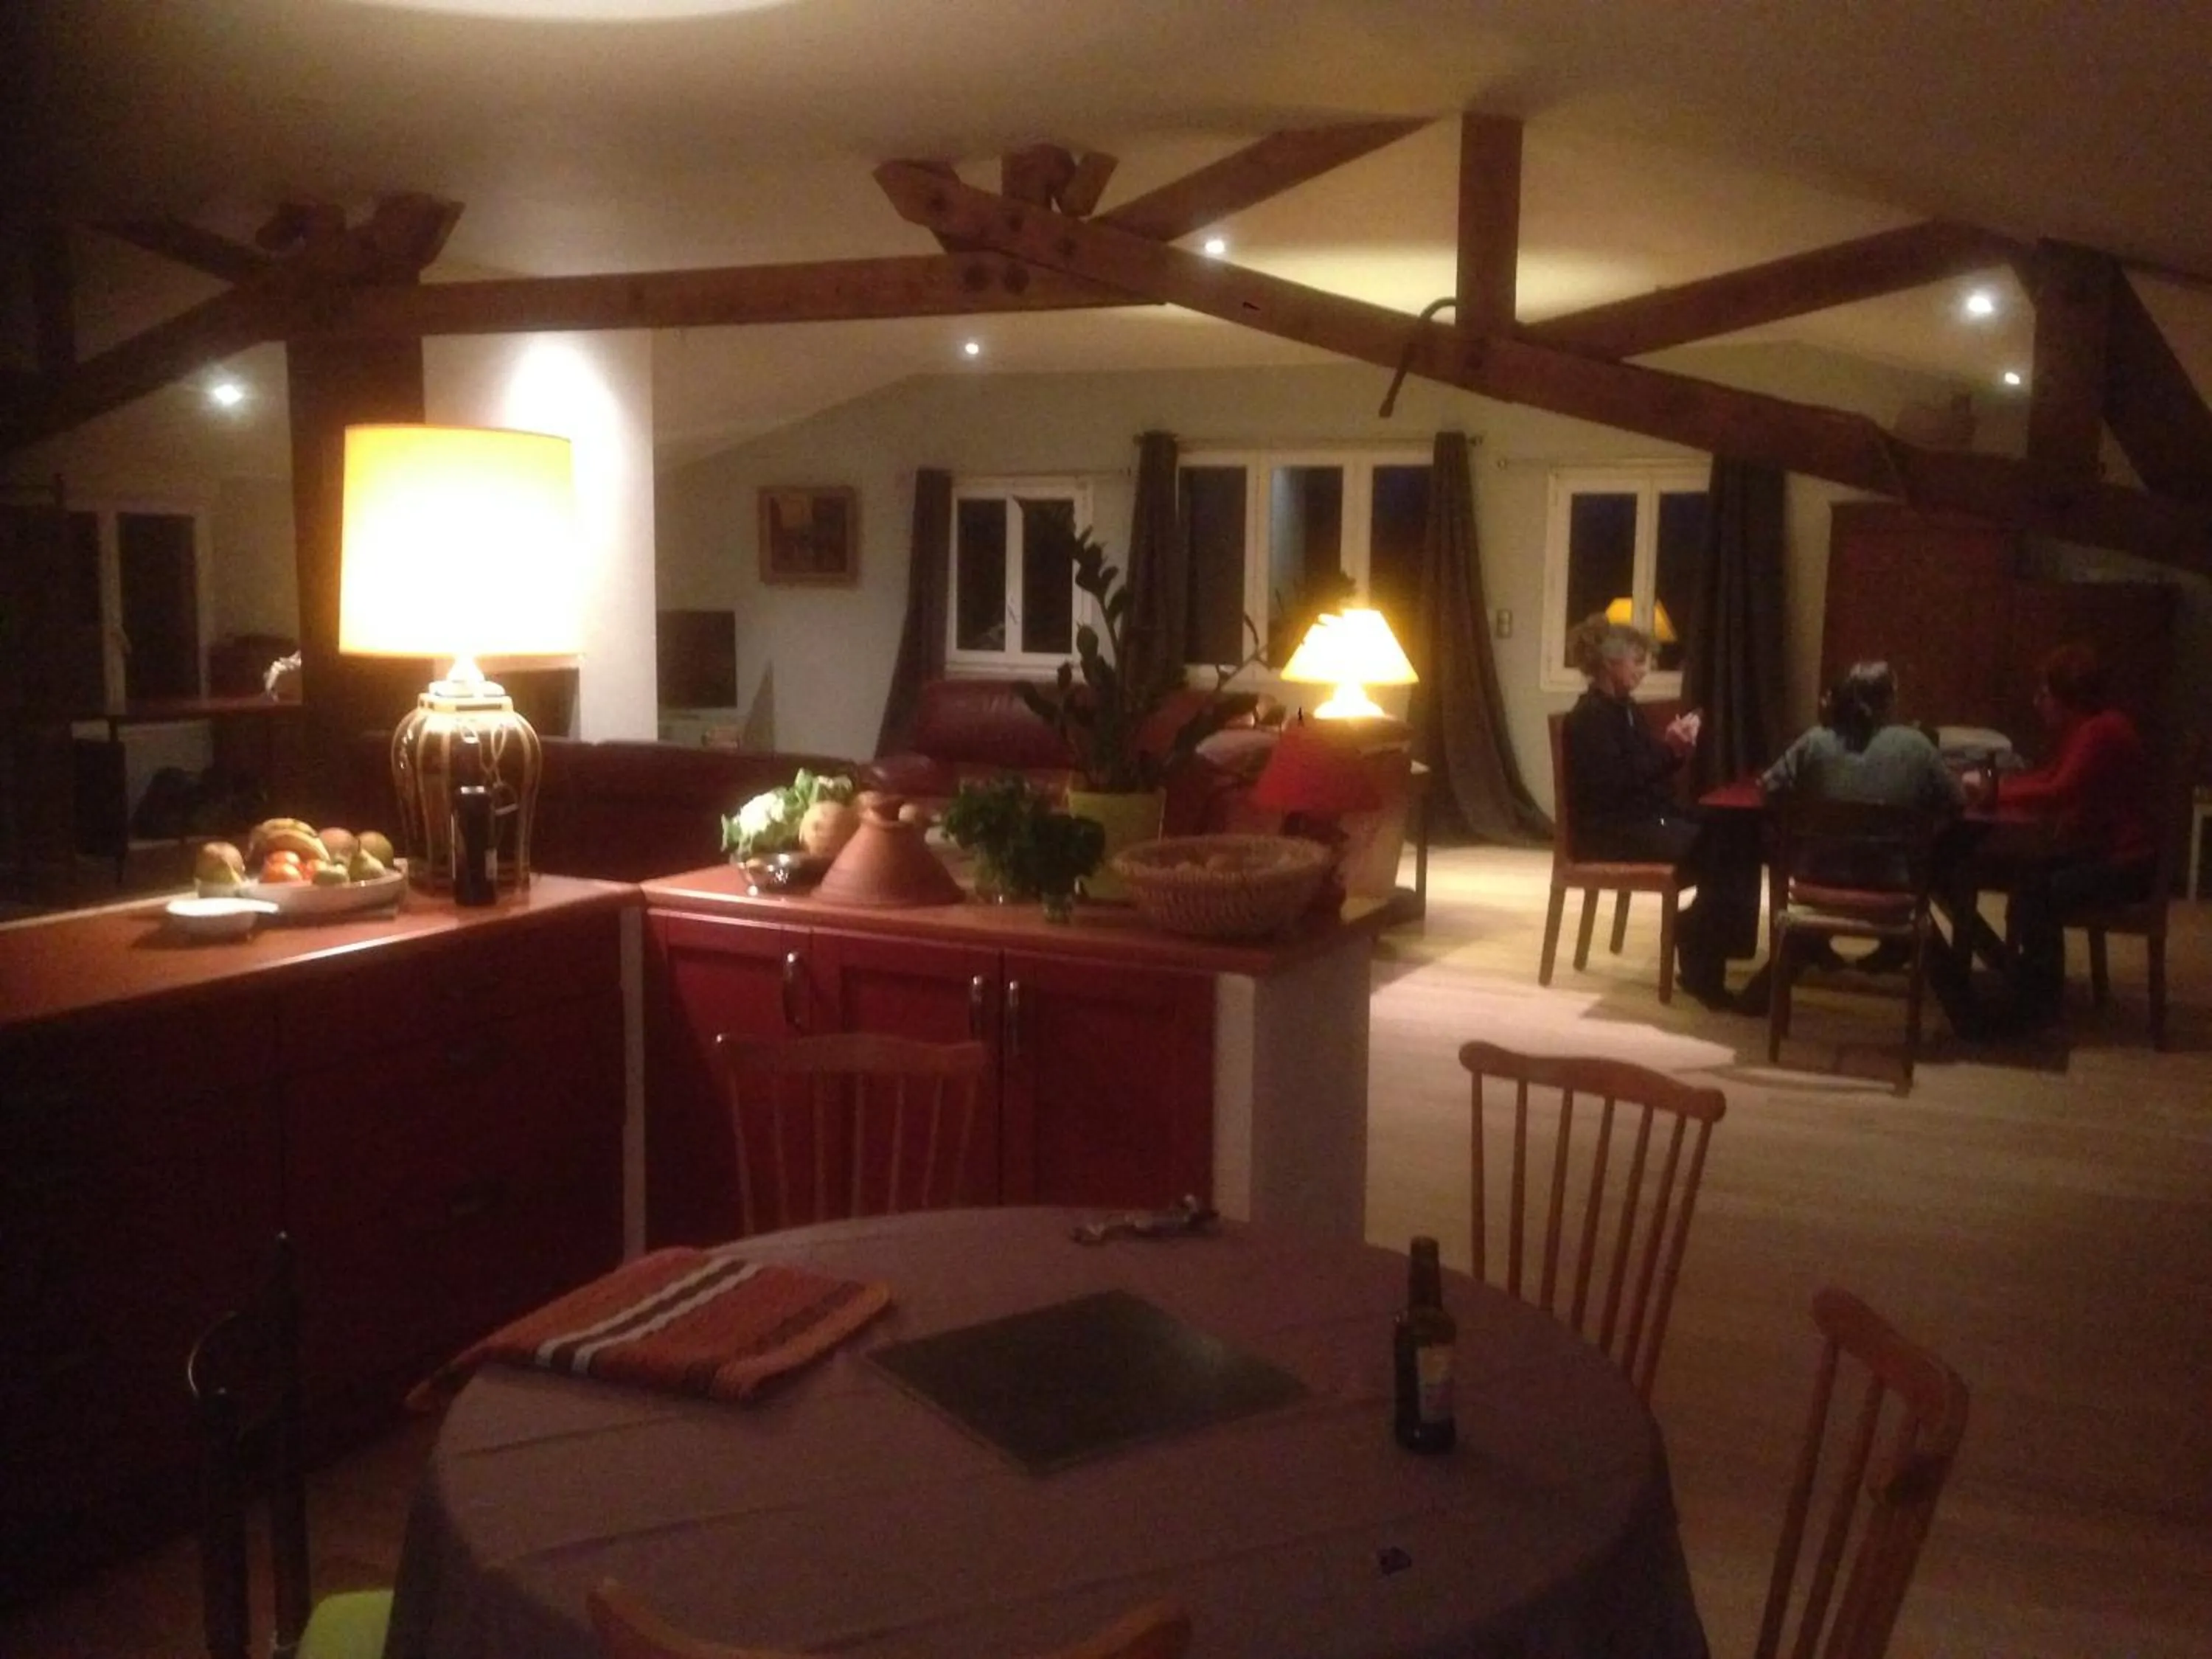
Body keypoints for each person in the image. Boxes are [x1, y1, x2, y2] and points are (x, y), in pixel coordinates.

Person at [1559, 612, 1759, 1008]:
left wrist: (1673, 748)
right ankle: (1699, 951)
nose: (1644, 670)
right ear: (1610, 663)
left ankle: (1702, 940)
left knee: (1740, 830)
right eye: (1638, 661)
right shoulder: (1590, 718)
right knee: (1721, 846)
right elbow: (1618, 786)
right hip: (1611, 832)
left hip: (1641, 819)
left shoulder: (1624, 709)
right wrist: (1668, 751)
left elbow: (1645, 770)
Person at [1747, 661, 1966, 1009]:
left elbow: (1768, 790)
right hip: (1893, 885)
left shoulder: (1815, 742)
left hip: (1816, 878)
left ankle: (1799, 957)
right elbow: (1957, 801)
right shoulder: (1917, 746)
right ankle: (1959, 1000)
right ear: (1891, 700)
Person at [1991, 641, 2156, 1029]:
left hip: (2128, 864)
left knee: (2038, 893)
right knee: (2030, 878)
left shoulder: (2099, 733)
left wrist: (1995, 793)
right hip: (2114, 853)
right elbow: (2050, 777)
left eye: (2045, 694)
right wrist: (2000, 786)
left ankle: (2037, 1006)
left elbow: (2058, 791)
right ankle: (2028, 989)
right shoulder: (2094, 728)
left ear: (2068, 697)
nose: (2038, 702)